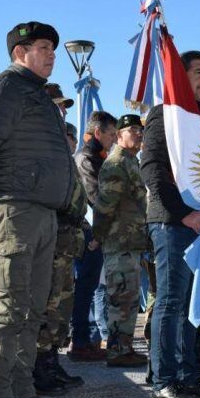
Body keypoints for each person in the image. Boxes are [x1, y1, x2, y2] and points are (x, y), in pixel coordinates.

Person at [0, 21, 73, 398]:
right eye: (42, 47)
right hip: (14, 210)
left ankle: (24, 393)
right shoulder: (6, 88)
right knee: (8, 309)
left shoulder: (37, 95)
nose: (51, 55)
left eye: (52, 49)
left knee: (32, 309)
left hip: (42, 213)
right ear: (19, 52)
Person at [141, 50, 200, 398]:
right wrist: (182, 213)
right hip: (173, 223)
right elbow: (152, 168)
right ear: (180, 76)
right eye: (198, 72)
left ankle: (189, 375)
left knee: (195, 304)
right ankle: (164, 378)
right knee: (171, 301)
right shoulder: (166, 116)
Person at [32, 116, 87, 395]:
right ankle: (40, 367)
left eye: (74, 139)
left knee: (62, 309)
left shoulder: (68, 165)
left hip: (67, 248)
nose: (71, 142)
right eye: (67, 137)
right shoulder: (51, 163)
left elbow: (78, 206)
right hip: (53, 246)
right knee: (48, 307)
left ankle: (53, 360)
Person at [94, 113, 149, 367]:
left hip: (132, 241)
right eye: (132, 130)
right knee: (120, 298)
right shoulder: (116, 163)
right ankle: (117, 351)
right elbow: (105, 206)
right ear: (119, 135)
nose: (138, 134)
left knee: (129, 298)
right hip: (119, 242)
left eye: (140, 130)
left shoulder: (131, 162)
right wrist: (99, 235)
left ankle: (124, 347)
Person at [70, 110, 118, 362]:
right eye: (111, 134)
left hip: (93, 231)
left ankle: (85, 339)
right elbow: (95, 198)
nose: (114, 140)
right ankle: (79, 341)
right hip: (88, 233)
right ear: (98, 133)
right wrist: (100, 232)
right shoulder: (87, 157)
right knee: (85, 287)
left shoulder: (97, 156)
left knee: (89, 287)